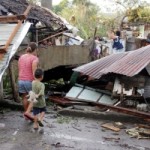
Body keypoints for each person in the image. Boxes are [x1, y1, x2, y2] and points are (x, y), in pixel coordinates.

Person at [18, 42, 39, 120]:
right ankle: (28, 112)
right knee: (33, 98)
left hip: (21, 80)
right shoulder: (34, 58)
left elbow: (20, 69)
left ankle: (26, 114)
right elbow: (34, 72)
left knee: (24, 97)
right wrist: (37, 81)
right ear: (35, 49)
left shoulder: (21, 57)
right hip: (29, 81)